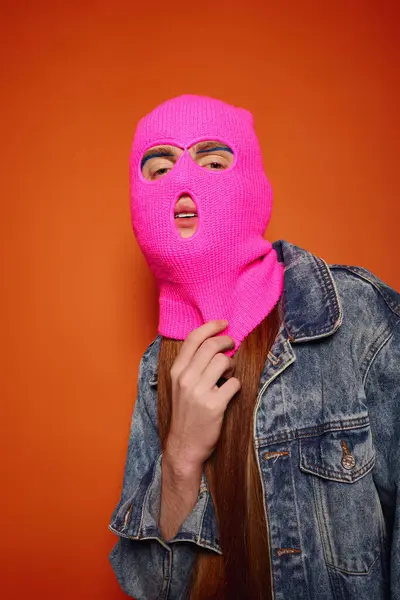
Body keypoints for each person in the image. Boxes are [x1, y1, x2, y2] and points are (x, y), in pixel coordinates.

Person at [107, 94, 400, 600]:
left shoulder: (356, 317)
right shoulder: (159, 369)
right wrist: (180, 459)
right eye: (159, 167)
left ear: (253, 185)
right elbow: (150, 588)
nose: (182, 182)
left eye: (213, 160)